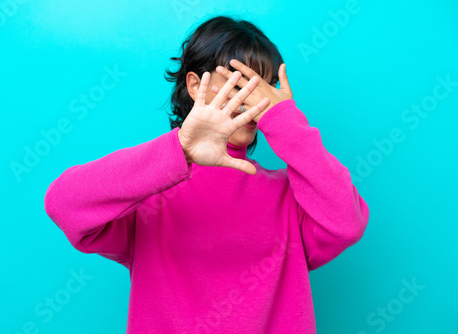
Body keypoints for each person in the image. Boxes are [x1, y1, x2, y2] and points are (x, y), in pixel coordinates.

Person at [44, 15, 369, 334]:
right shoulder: (148, 194)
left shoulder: (292, 197)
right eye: (239, 83)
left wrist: (284, 120)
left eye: (265, 90)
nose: (252, 102)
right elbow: (63, 203)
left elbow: (347, 223)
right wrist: (180, 149)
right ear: (195, 84)